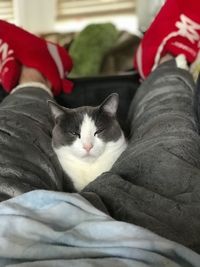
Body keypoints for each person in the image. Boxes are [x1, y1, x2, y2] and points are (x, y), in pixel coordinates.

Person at [0, 0, 200, 265]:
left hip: (13, 229)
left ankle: (35, 79)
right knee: (170, 136)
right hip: (157, 235)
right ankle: (164, 65)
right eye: (80, 139)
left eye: (94, 136)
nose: (86, 146)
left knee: (9, 138)